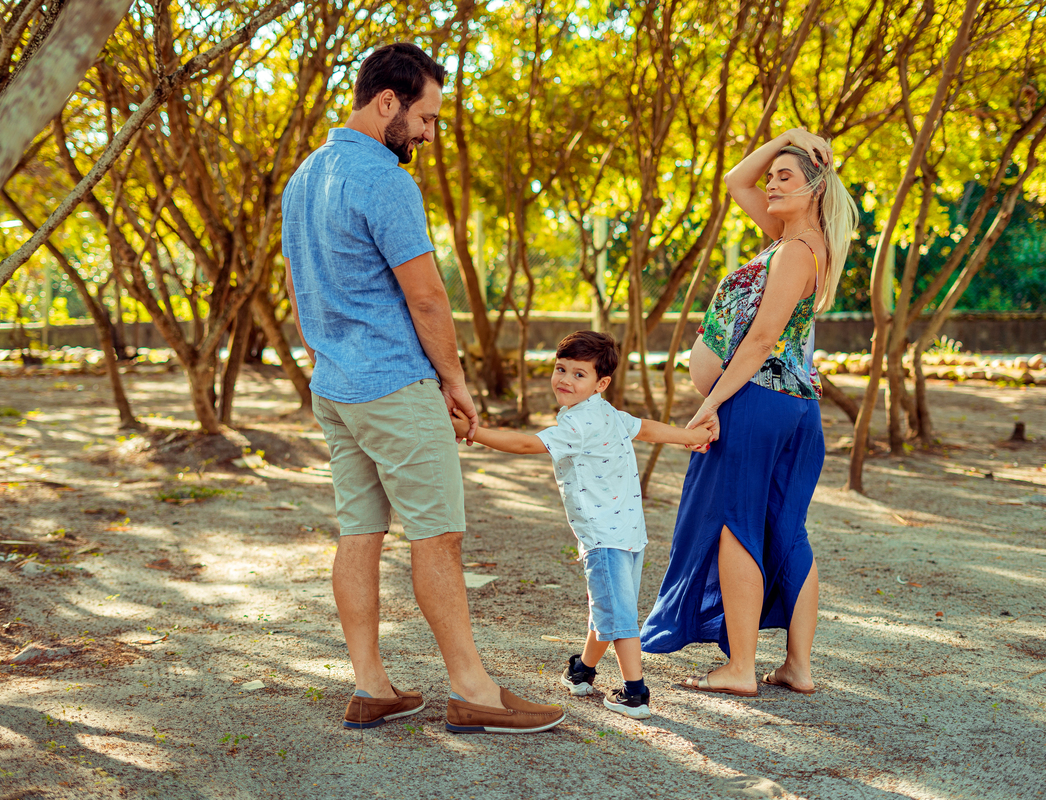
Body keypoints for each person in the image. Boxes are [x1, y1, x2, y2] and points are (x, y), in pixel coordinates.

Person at [281, 42, 564, 735]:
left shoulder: (305, 177)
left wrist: (329, 352)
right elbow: (428, 297)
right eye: (427, 118)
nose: (431, 134)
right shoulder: (383, 179)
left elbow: (296, 288)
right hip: (395, 388)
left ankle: (371, 685)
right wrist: (455, 380)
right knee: (437, 537)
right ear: (388, 104)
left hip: (337, 385)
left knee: (359, 532)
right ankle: (474, 692)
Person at [639, 128, 859, 697]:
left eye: (785, 177)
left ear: (815, 189)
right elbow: (736, 180)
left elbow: (761, 340)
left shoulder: (793, 251)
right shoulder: (801, 242)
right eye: (774, 176)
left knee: (735, 525)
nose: (769, 182)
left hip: (757, 402)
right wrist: (787, 138)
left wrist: (709, 402)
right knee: (786, 529)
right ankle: (798, 667)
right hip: (793, 407)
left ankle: (740, 669)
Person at [450, 331, 712, 719]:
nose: (565, 380)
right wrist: (690, 436)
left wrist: (472, 432)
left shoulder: (580, 424)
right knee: (607, 606)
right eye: (560, 369)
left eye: (579, 374)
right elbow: (649, 428)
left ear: (600, 383)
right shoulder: (605, 413)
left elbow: (526, 445)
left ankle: (635, 693)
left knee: (619, 616)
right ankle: (583, 672)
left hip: (604, 536)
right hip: (628, 534)